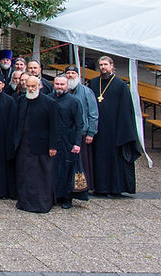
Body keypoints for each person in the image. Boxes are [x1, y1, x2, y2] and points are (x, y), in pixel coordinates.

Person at [88, 56, 142, 196]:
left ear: (112, 66)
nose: (103, 67)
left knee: (114, 160)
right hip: (98, 129)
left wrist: (122, 131)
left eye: (105, 64)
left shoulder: (120, 85)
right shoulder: (94, 83)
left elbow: (126, 111)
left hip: (114, 130)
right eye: (101, 65)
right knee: (98, 158)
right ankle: (100, 187)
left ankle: (114, 188)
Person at [13, 76, 57, 213]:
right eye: (28, 86)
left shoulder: (49, 103)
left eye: (33, 86)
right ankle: (24, 202)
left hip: (41, 145)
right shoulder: (22, 100)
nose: (31, 89)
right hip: (24, 144)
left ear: (39, 86)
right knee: (24, 174)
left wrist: (53, 146)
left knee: (41, 175)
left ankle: (41, 204)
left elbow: (55, 126)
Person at [52, 75, 85, 209]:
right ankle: (54, 195)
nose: (59, 87)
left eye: (62, 84)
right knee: (53, 169)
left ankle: (67, 198)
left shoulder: (74, 101)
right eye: (57, 84)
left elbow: (79, 124)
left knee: (67, 169)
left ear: (67, 86)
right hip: (53, 140)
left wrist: (77, 143)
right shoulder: (49, 99)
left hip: (68, 140)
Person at [65, 64, 98, 190]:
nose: (70, 76)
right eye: (68, 73)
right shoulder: (62, 90)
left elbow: (93, 113)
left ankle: (83, 187)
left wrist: (91, 132)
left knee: (83, 162)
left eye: (73, 73)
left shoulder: (86, 92)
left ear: (78, 76)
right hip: (67, 133)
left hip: (82, 132)